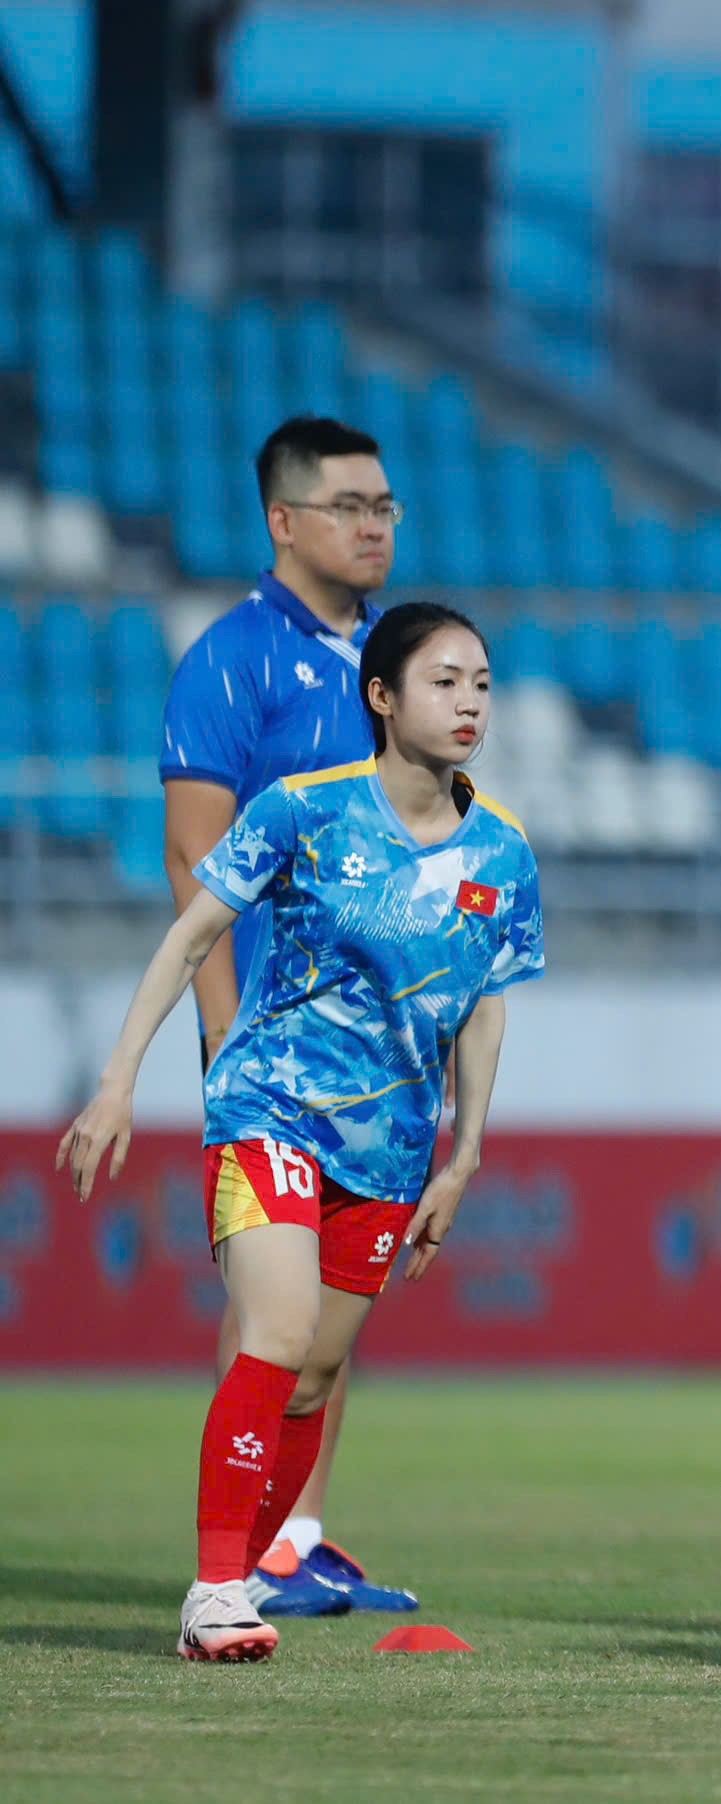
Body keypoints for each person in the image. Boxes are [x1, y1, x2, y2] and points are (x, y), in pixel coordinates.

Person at [61, 602, 542, 1662]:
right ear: (381, 697)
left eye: (481, 683)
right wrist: (118, 1079)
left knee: (316, 1377)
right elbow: (193, 934)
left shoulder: (505, 853)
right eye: (444, 681)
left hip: (392, 1152)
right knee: (276, 1336)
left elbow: (485, 1005)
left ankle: (242, 1578)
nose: (469, 702)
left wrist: (463, 1156)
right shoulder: (303, 809)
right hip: (267, 1110)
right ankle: (215, 1592)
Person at [158, 414, 417, 1616]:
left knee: (333, 1309)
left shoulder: (390, 663)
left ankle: (296, 1536)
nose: (374, 525)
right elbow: (192, 855)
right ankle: (236, 1557)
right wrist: (222, 1033)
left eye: (384, 506)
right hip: (267, 1040)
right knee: (275, 1305)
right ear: (284, 519)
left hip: (375, 1047)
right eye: (349, 505)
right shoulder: (230, 660)